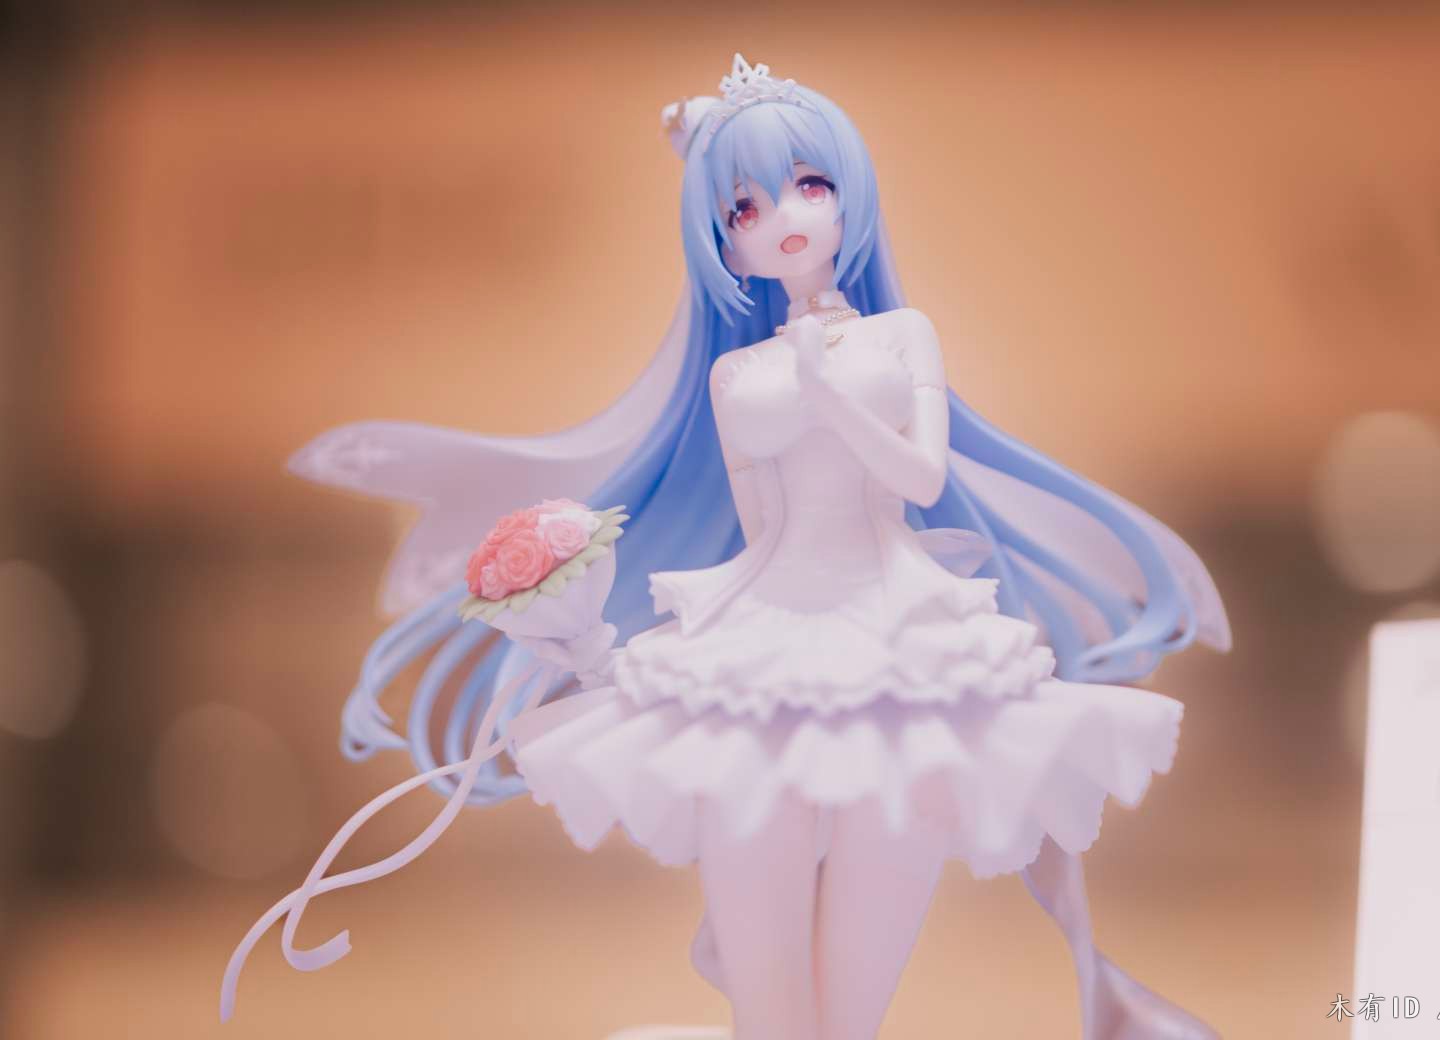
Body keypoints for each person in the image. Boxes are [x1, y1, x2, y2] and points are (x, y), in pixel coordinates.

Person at [226, 54, 1232, 1040]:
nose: (783, 216)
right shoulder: (734, 376)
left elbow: (922, 480)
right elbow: (762, 530)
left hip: (906, 639)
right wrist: (611, 644)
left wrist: (831, 396)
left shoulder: (902, 337)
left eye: (809, 184)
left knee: (852, 996)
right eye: (745, 208)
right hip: (768, 634)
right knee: (771, 996)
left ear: (849, 197)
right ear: (726, 244)